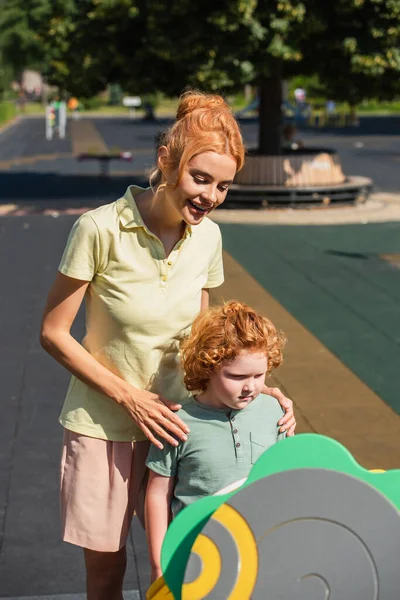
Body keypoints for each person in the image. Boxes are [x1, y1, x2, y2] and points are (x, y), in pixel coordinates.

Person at [40, 90, 296, 600]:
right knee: (108, 575)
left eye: (223, 185)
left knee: (196, 564)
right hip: (106, 425)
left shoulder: (208, 238)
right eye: (200, 178)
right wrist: (129, 397)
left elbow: (204, 341)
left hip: (183, 425)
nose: (211, 195)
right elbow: (52, 333)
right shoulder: (98, 229)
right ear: (167, 161)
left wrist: (260, 389)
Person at [145, 300, 287, 583]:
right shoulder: (178, 422)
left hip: (261, 549)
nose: (250, 387)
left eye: (260, 375)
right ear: (207, 366)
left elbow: (284, 480)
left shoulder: (275, 411)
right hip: (198, 555)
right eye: (237, 376)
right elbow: (157, 494)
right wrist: (160, 562)